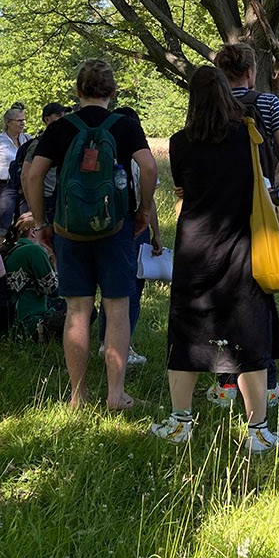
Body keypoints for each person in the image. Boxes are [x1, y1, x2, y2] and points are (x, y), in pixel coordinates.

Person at [149, 67, 279, 452]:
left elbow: (183, 188)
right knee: (250, 335)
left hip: (195, 247)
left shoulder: (179, 142)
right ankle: (257, 430)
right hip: (243, 244)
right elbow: (267, 180)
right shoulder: (249, 136)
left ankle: (180, 422)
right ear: (228, 92)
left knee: (187, 335)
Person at [25, 60, 156, 410]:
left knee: (77, 310)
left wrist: (41, 224)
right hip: (116, 228)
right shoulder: (125, 126)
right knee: (117, 308)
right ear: (113, 92)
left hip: (69, 230)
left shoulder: (61, 128)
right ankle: (116, 395)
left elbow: (34, 176)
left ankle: (77, 396)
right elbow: (149, 167)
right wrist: (143, 210)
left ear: (78, 90)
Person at [209, 42, 279, 407]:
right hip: (258, 209)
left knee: (224, 294)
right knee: (259, 292)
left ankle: (225, 383)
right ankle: (266, 384)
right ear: (250, 71)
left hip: (215, 213)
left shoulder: (207, 107)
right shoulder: (267, 103)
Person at [96, 105, 164, 368]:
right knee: (132, 290)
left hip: (104, 224)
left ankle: (105, 342)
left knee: (111, 290)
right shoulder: (138, 159)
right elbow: (150, 201)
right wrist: (154, 232)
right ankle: (124, 345)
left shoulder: (104, 152)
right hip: (134, 225)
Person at [13, 102, 67, 225]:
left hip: (58, 199)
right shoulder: (39, 144)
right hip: (45, 201)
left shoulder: (61, 141)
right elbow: (25, 176)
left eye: (64, 115)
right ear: (47, 119)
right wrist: (34, 209)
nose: (63, 119)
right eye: (59, 115)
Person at [0, 106, 29, 233]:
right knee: (4, 224)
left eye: (23, 120)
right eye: (19, 120)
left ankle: (22, 249)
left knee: (25, 223)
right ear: (8, 122)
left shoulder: (28, 139)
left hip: (25, 186)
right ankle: (1, 250)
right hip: (6, 186)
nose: (22, 123)